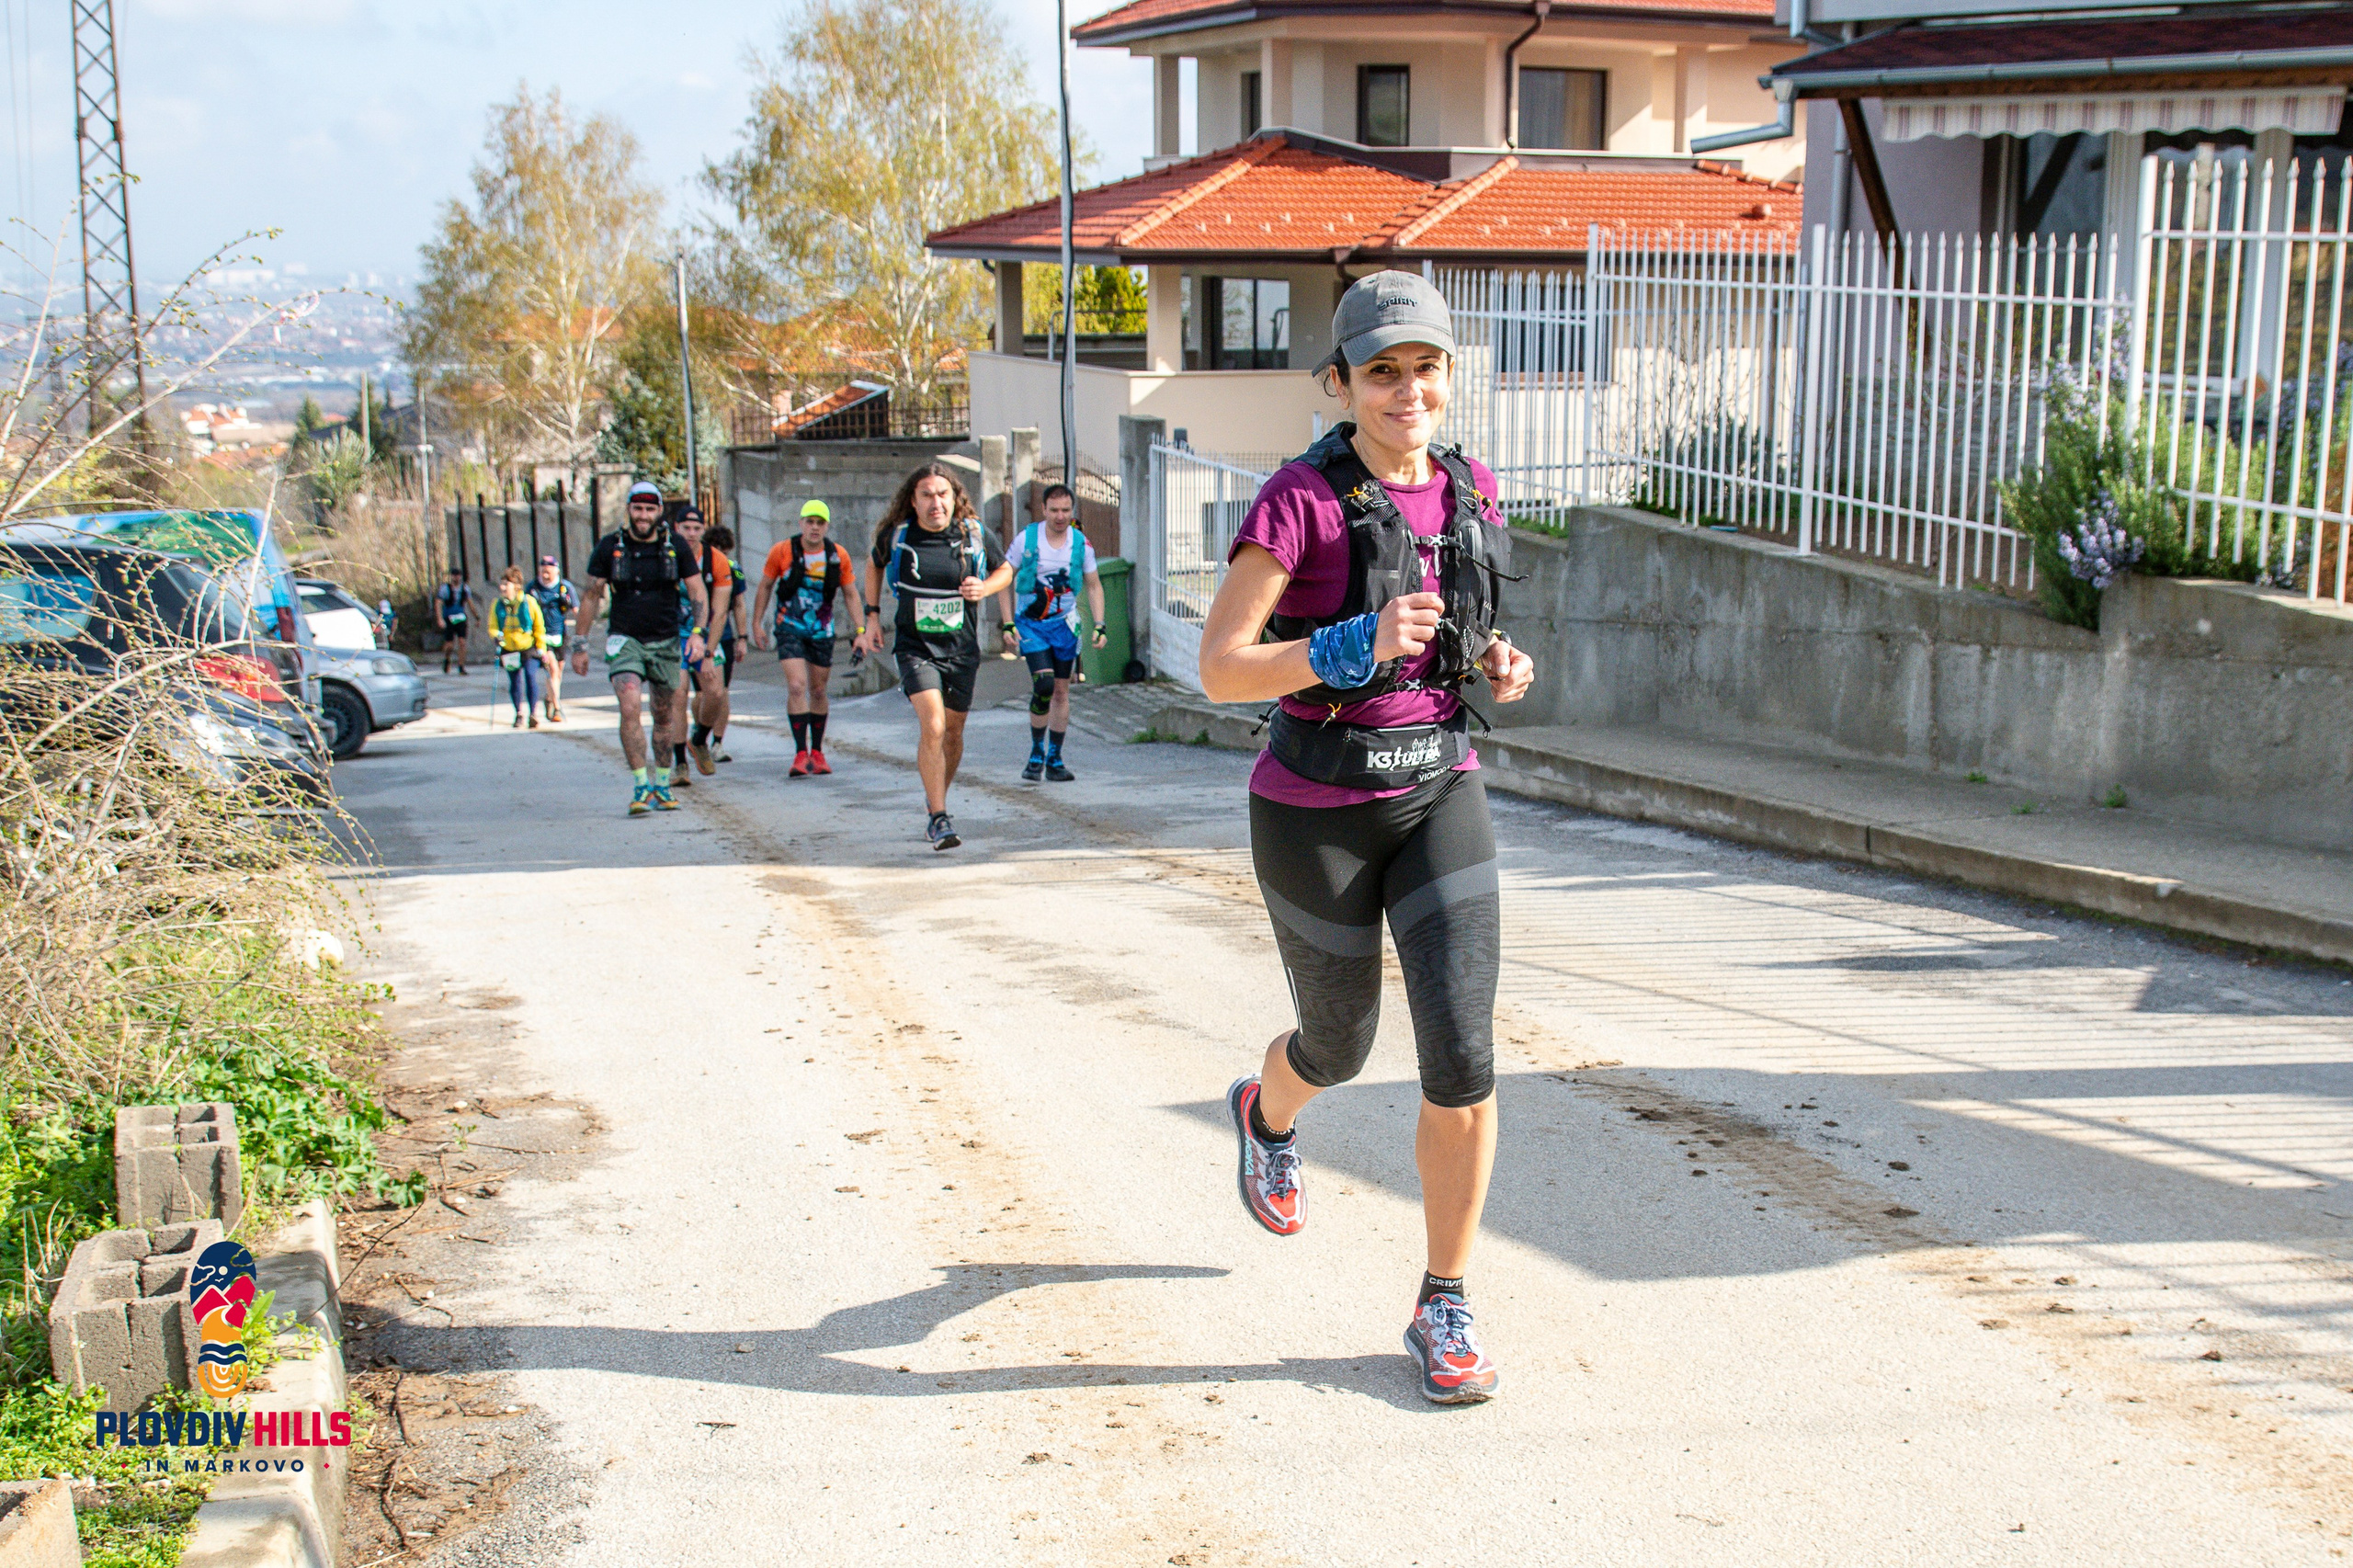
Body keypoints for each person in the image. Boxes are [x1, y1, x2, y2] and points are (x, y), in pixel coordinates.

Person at [1196, 270, 1535, 1406]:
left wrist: (1494, 659)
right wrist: (1341, 646)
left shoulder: (1473, 488)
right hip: (1314, 808)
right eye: (1381, 371)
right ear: (1339, 382)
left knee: (1463, 1056)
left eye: (1426, 367)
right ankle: (1266, 1107)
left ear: (1449, 376)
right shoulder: (1298, 500)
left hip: (1439, 787)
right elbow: (1220, 665)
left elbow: (1462, 621)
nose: (1407, 392)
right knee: (1337, 1045)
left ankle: (1444, 1296)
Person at [855, 464, 1003, 850]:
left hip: (961, 648)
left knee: (953, 734)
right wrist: (872, 618)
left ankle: (935, 796)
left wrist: (984, 587)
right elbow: (873, 564)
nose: (935, 503)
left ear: (955, 499)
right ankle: (939, 818)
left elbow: (1006, 570)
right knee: (934, 726)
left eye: (943, 495)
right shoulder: (899, 536)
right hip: (915, 647)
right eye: (926, 495)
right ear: (913, 500)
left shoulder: (973, 533)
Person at [570, 480, 710, 816]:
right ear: (628, 510)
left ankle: (662, 785)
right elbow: (591, 596)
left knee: (664, 715)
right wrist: (579, 644)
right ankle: (639, 785)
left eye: (649, 509)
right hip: (625, 640)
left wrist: (697, 633)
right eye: (637, 508)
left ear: (659, 511)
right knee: (630, 705)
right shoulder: (608, 547)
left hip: (664, 642)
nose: (643, 515)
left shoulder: (675, 545)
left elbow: (697, 590)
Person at [994, 483, 1108, 782]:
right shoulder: (1026, 539)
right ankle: (1035, 753)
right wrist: (1007, 623)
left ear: (1072, 511)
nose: (1060, 516)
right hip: (1030, 624)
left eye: (1065, 510)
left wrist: (1099, 624)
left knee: (1060, 690)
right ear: (1044, 509)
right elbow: (1004, 579)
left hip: (1065, 626)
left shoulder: (1081, 544)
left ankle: (1055, 758)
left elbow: (1094, 585)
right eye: (1054, 510)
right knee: (1043, 684)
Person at [754, 499, 864, 778]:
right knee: (796, 685)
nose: (815, 528)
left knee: (817, 689)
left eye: (820, 523)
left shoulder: (837, 555)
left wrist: (861, 631)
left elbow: (851, 594)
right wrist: (756, 624)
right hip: (789, 626)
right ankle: (800, 753)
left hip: (821, 630)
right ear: (801, 523)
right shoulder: (782, 551)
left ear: (826, 526)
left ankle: (817, 751)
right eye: (810, 522)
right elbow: (765, 586)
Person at [670, 506, 733, 781]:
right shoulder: (666, 555)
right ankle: (680, 763)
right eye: (686, 528)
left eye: (697, 529)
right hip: (672, 635)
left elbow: (720, 611)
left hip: (705, 634)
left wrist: (708, 652)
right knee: (678, 693)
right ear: (677, 528)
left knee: (716, 692)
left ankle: (699, 739)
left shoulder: (716, 560)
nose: (692, 534)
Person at [706, 525, 750, 762]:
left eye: (725, 550)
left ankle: (717, 742)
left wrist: (742, 639)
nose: (721, 555)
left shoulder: (734, 570)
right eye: (716, 549)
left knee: (722, 691)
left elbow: (740, 605)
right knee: (704, 693)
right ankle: (701, 731)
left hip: (724, 636)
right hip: (698, 636)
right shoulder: (694, 568)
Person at [489, 566, 548, 728]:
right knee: (514, 682)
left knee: (530, 676)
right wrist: (496, 635)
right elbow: (493, 625)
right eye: (501, 584)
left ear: (516, 586)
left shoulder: (529, 602)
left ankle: (533, 713)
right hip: (509, 648)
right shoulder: (497, 604)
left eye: (505, 584)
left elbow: (539, 626)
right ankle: (519, 714)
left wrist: (541, 647)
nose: (502, 588)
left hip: (528, 647)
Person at [526, 556, 577, 723]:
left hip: (560, 635)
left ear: (557, 570)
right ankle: (557, 708)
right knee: (553, 669)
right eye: (542, 571)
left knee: (559, 673)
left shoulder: (565, 587)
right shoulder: (532, 588)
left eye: (548, 571)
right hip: (541, 636)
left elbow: (577, 608)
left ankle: (549, 698)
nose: (545, 575)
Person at [432, 569, 475, 675]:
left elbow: (470, 603)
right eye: (454, 575)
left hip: (461, 618)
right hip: (449, 618)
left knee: (462, 642)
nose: (456, 578)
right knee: (449, 645)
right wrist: (439, 619)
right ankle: (447, 659)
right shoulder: (445, 589)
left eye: (458, 575)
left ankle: (461, 666)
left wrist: (476, 617)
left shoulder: (465, 589)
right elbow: (438, 603)